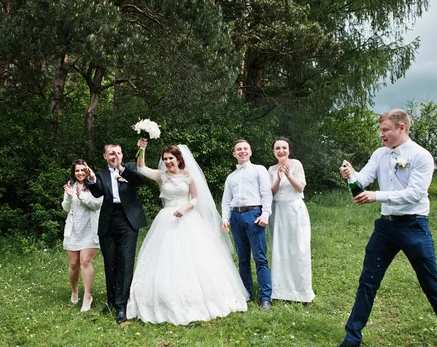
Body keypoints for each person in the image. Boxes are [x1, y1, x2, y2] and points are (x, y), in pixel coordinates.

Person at [333, 109, 437, 347]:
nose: (381, 134)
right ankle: (353, 337)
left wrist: (377, 196)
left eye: (385, 129)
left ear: (402, 128)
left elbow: (415, 194)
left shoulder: (420, 156)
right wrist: (351, 175)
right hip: (385, 228)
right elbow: (362, 182)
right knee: (367, 282)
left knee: (433, 286)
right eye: (381, 130)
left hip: (414, 226)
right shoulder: (379, 154)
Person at [126, 139, 248, 325]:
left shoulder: (188, 175)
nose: (167, 162)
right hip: (166, 220)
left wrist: (185, 208)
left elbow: (196, 199)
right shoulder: (161, 176)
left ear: (178, 159)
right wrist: (142, 149)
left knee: (194, 259)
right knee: (166, 259)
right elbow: (141, 168)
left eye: (171, 158)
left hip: (187, 218)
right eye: (165, 159)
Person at [85, 143, 147, 324]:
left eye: (118, 153)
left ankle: (122, 305)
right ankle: (111, 301)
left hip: (128, 221)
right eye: (111, 154)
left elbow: (139, 182)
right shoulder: (101, 175)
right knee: (110, 262)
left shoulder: (130, 169)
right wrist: (90, 179)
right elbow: (96, 193)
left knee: (126, 262)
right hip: (108, 221)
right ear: (105, 156)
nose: (115, 156)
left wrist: (121, 168)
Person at [221, 139, 273, 310]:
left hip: (254, 214)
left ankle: (266, 296)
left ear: (250, 152)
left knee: (260, 257)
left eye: (245, 148)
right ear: (234, 154)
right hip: (236, 216)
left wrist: (265, 214)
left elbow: (266, 193)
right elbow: (226, 200)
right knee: (242, 258)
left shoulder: (259, 170)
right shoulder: (231, 177)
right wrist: (225, 219)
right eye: (238, 149)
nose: (242, 151)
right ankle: (246, 292)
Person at [268, 137, 315, 303]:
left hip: (295, 210)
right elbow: (270, 193)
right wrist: (279, 178)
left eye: (284, 148)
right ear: (274, 151)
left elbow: (300, 187)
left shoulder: (296, 164)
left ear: (289, 150)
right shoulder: (271, 169)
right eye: (277, 148)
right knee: (280, 249)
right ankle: (281, 291)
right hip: (278, 211)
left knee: (298, 248)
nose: (281, 151)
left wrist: (288, 175)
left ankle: (301, 291)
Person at [61, 159, 104, 312]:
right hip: (74, 229)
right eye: (76, 170)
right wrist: (68, 196)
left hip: (90, 228)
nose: (79, 173)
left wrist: (81, 197)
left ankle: (87, 296)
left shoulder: (95, 184)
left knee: (85, 260)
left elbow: (97, 204)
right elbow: (66, 208)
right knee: (73, 264)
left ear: (87, 170)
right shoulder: (71, 185)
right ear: (73, 172)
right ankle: (74, 291)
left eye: (82, 170)